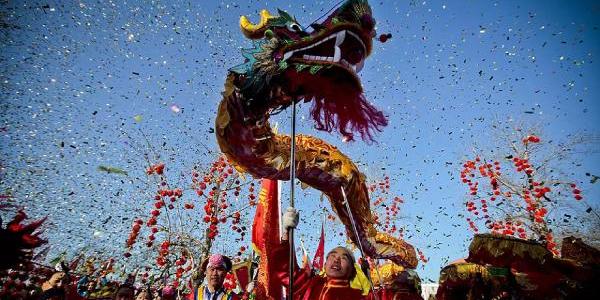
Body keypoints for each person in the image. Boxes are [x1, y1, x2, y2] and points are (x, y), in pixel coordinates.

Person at [275, 207, 367, 299]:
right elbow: (286, 272)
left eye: (344, 258)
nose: (336, 259)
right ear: (325, 264)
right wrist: (286, 232)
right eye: (332, 255)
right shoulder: (309, 286)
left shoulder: (358, 297)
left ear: (352, 269)